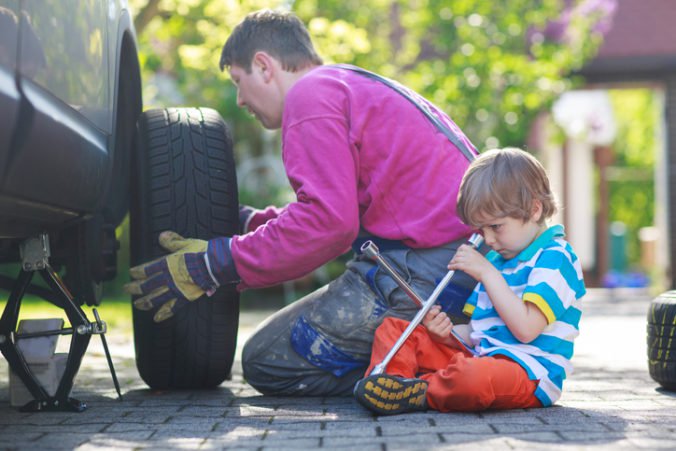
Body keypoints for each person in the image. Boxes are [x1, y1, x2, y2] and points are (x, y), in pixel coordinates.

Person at [124, 9, 477, 396]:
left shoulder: (309, 97)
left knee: (266, 361)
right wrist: (251, 224)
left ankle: (432, 375)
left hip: (431, 274)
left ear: (263, 66)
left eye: (239, 82)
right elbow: (342, 213)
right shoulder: (346, 84)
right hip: (462, 268)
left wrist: (213, 264)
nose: (240, 100)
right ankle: (430, 357)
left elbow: (329, 225)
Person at [353, 147, 586, 414]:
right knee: (395, 329)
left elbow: (526, 329)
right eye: (481, 230)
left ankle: (419, 391)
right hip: (481, 357)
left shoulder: (556, 259)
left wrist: (487, 273)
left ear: (534, 210)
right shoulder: (498, 262)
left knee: (474, 377)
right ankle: (388, 385)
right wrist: (446, 333)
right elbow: (477, 333)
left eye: (496, 227)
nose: (487, 240)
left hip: (529, 372)